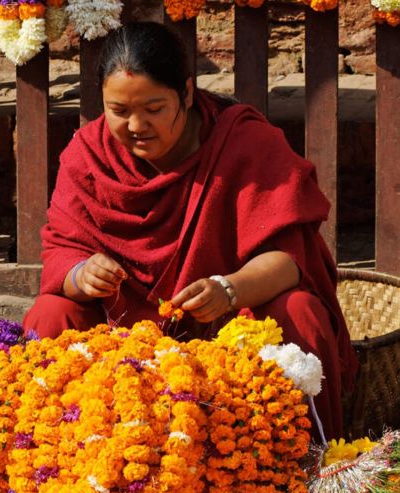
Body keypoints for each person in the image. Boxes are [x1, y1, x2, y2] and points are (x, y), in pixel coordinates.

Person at [23, 21, 357, 439]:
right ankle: (44, 464)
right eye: (119, 111)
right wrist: (82, 274)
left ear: (186, 92)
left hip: (231, 330)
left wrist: (228, 289)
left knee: (299, 311)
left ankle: (307, 462)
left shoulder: (244, 142)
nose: (136, 126)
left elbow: (291, 259)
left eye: (154, 109)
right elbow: (61, 252)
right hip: (123, 344)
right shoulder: (89, 154)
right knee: (51, 313)